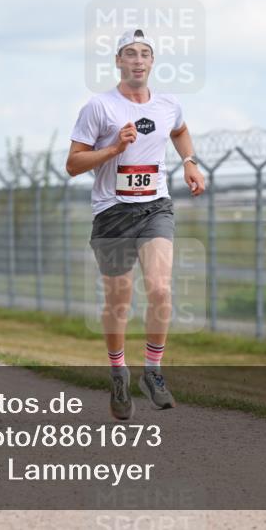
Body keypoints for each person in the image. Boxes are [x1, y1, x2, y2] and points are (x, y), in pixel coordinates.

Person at [66, 28, 205, 420]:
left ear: (153, 62)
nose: (138, 60)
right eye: (130, 53)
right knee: (119, 301)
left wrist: (190, 162)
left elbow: (178, 130)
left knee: (160, 289)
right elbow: (73, 164)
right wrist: (114, 148)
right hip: (112, 212)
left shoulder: (167, 104)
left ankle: (153, 371)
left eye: (145, 53)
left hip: (154, 207)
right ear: (118, 62)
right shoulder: (100, 107)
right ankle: (117, 372)